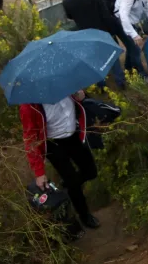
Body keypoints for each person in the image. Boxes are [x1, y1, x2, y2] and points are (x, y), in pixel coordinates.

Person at [20, 89, 101, 231]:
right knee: (73, 182)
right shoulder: (29, 104)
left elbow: (80, 100)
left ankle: (68, 186)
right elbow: (30, 138)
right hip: (53, 144)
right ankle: (84, 215)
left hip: (73, 135)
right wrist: (39, 172)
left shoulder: (64, 83)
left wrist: (81, 95)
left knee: (91, 171)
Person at [63, 0, 127, 89]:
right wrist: (112, 30)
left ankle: (101, 85)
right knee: (112, 57)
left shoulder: (67, 2)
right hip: (102, 31)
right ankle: (120, 81)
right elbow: (105, 15)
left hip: (86, 34)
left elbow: (70, 17)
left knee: (94, 60)